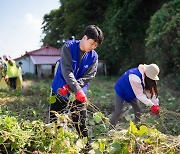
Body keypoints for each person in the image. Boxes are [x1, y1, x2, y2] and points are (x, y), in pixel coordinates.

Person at [50, 25, 104, 140]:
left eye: (96, 45)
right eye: (92, 43)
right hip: (61, 86)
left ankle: (86, 147)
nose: (93, 47)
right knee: (56, 120)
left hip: (80, 91)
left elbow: (89, 75)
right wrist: (73, 88)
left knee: (80, 121)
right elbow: (66, 70)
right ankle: (55, 145)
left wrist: (74, 89)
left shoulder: (94, 56)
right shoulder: (68, 47)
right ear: (85, 38)